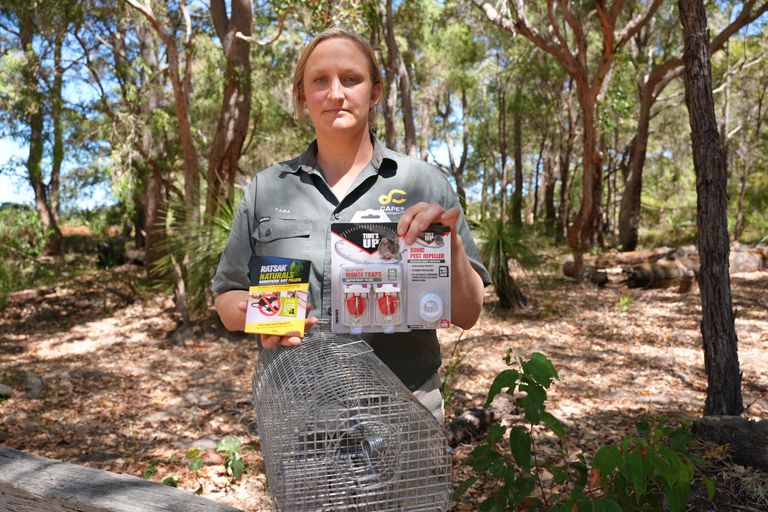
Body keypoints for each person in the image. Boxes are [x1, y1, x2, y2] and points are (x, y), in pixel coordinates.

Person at [212, 27, 490, 423]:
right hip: (298, 415)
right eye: (320, 80)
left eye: (351, 79)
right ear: (302, 96)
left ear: (375, 92)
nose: (336, 93)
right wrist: (267, 315)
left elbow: (468, 313)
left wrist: (451, 248)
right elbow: (228, 301)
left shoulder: (424, 183)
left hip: (404, 411)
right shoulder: (267, 189)